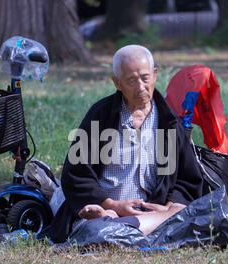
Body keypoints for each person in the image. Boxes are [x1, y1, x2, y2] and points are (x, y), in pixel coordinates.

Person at [43, 45, 208, 243]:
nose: (140, 87)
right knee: (100, 228)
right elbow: (76, 175)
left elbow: (188, 178)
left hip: (150, 213)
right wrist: (111, 205)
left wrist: (170, 205)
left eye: (145, 78)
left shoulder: (169, 121)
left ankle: (134, 226)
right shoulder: (101, 117)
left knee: (183, 214)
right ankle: (116, 226)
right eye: (131, 80)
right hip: (105, 210)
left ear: (155, 75)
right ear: (117, 83)